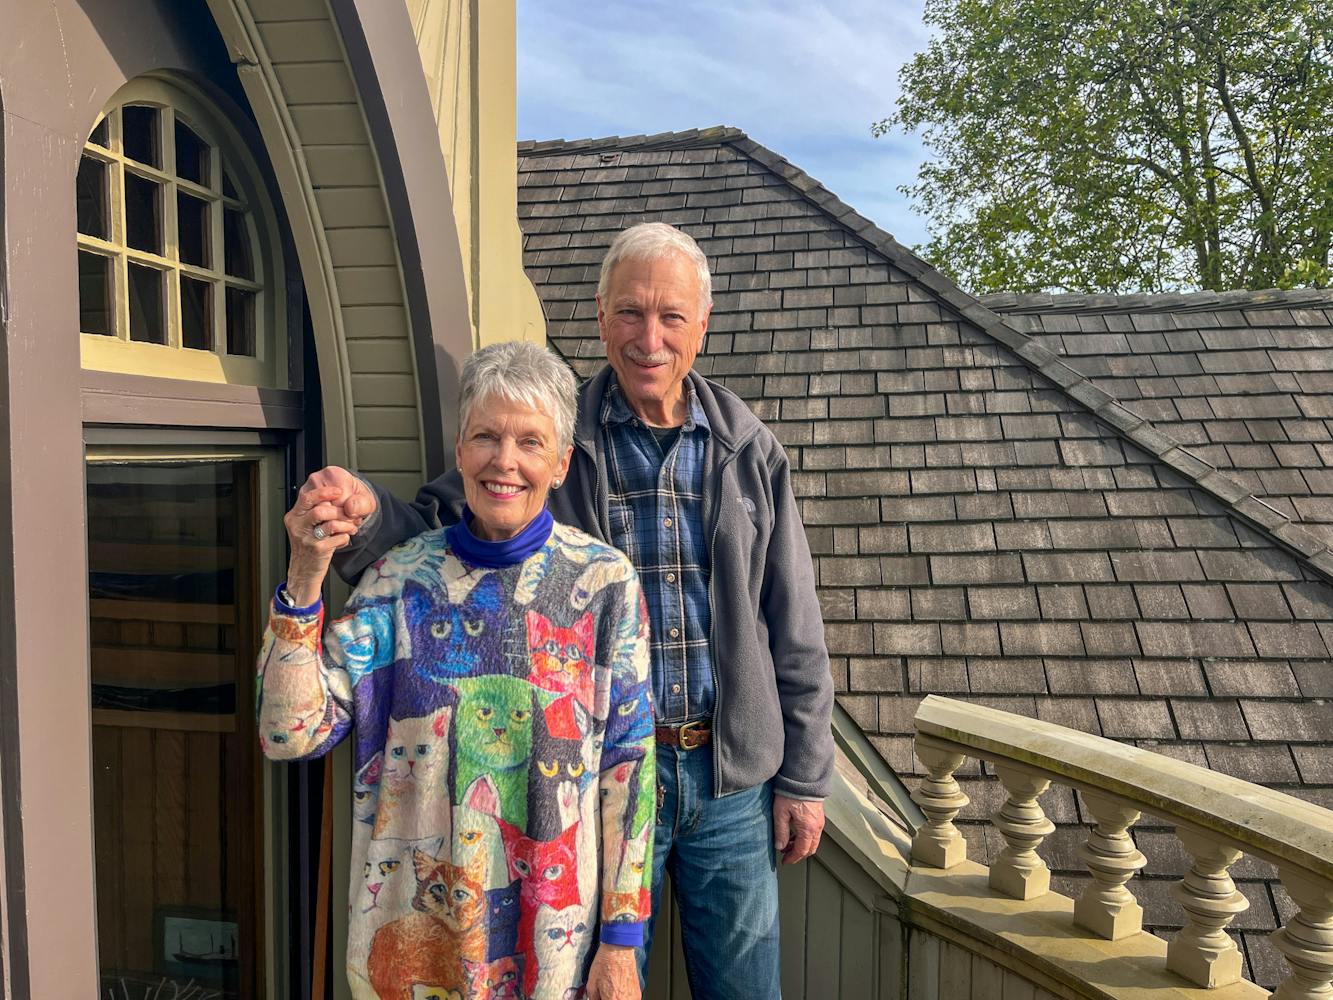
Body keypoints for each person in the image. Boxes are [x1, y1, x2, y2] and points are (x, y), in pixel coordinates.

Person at [304, 222, 835, 998]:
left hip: (726, 779)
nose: (648, 338)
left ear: (701, 325)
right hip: (592, 781)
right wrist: (365, 516)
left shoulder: (746, 449)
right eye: (629, 312)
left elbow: (793, 623)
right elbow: (441, 538)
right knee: (602, 984)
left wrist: (806, 778)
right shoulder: (550, 434)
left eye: (670, 317)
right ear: (599, 315)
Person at [258, 340, 653, 1000]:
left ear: (560, 464)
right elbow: (289, 733)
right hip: (410, 946)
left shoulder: (604, 585)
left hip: (549, 953)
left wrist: (620, 943)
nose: (505, 461)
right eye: (486, 437)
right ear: (460, 449)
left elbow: (629, 770)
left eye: (530, 442)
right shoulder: (395, 581)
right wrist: (305, 575)